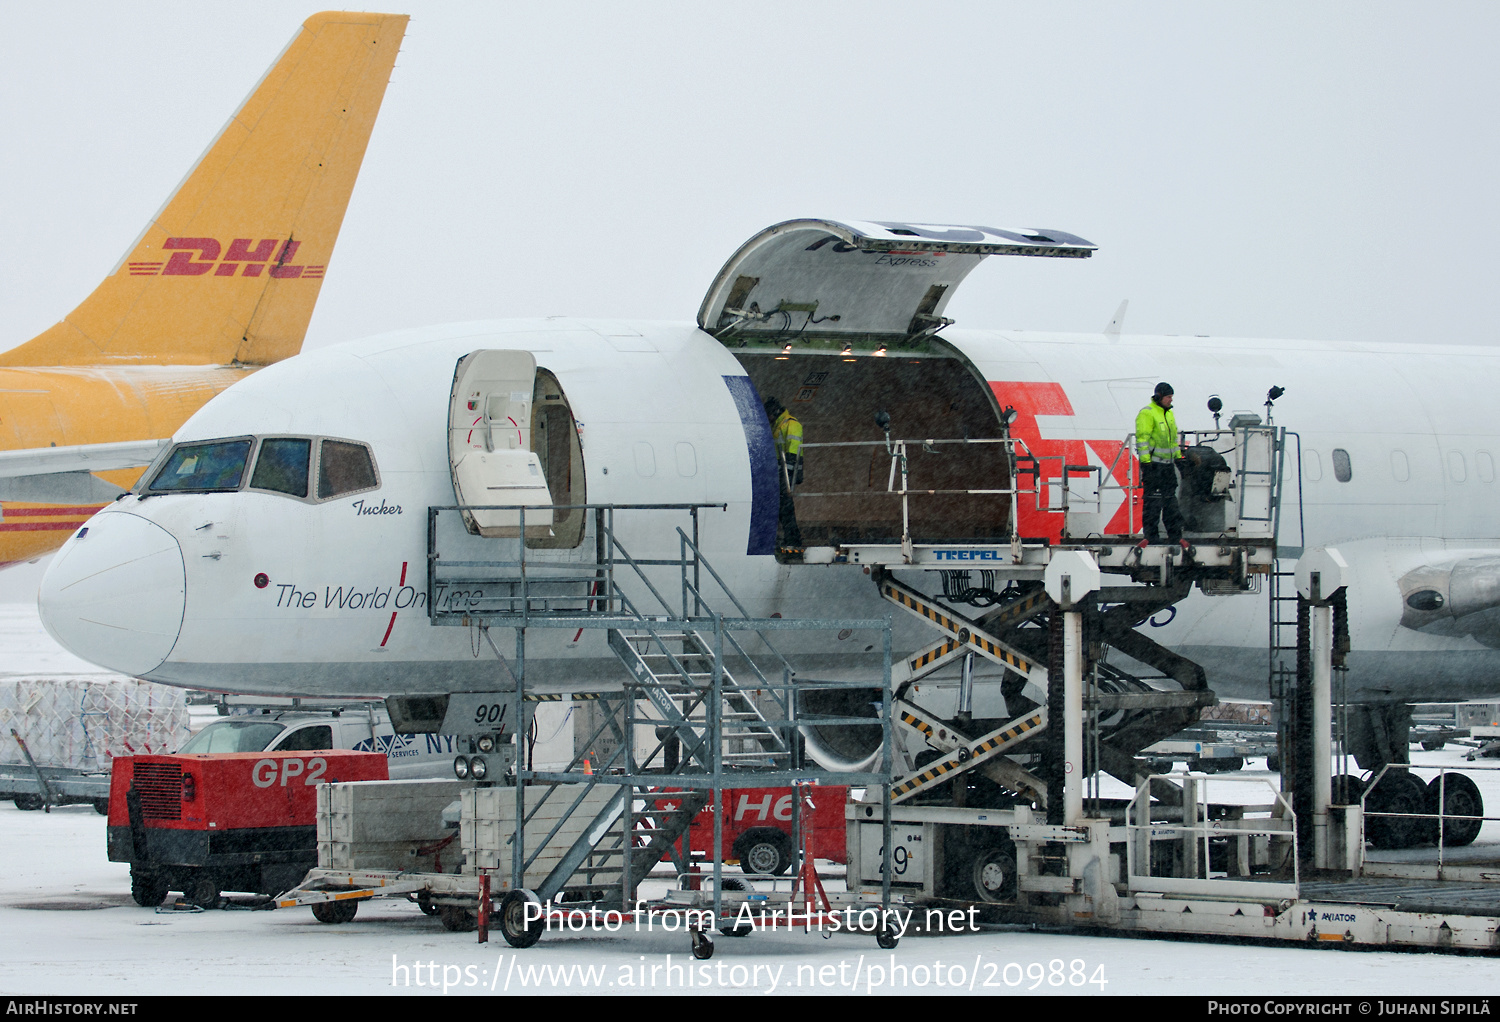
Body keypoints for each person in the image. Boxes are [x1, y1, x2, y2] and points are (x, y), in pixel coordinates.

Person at [1135, 381, 1190, 551]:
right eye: (1168, 397)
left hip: (1167, 466)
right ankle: (1151, 536)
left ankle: (1175, 535)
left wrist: (1179, 458)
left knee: (1170, 502)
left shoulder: (1168, 414)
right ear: (1159, 396)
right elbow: (1142, 439)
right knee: (1153, 501)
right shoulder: (1148, 413)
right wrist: (1146, 463)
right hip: (1154, 465)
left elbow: (1172, 441)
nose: (1170, 400)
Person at [764, 396, 804, 557]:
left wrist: (785, 474)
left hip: (787, 473)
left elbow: (793, 452)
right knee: (782, 507)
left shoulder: (792, 425)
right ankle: (791, 538)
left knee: (785, 508)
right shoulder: (780, 425)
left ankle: (793, 539)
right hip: (781, 473)